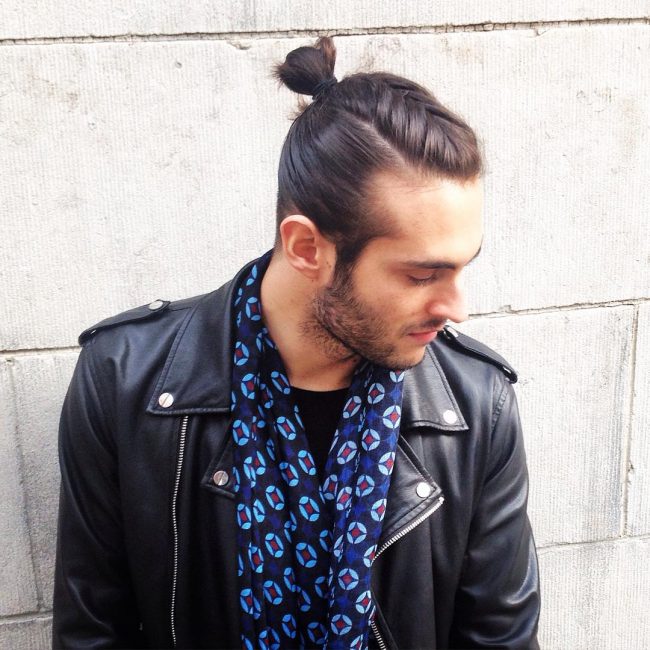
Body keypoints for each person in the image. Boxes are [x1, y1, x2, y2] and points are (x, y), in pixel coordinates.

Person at [53, 37, 540, 650]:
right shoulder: (124, 380)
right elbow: (92, 633)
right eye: (422, 276)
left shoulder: (476, 406)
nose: (455, 308)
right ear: (307, 247)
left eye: (463, 267)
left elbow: (500, 638)